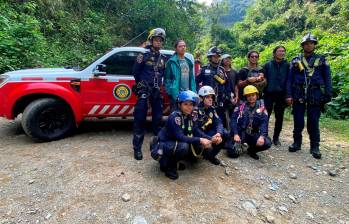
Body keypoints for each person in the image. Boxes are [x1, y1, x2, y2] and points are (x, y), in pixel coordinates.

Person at [286, 33, 332, 159]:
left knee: (313, 121)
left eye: (311, 43)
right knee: (298, 121)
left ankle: (315, 146)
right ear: (303, 45)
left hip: (315, 93)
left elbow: (328, 78)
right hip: (298, 92)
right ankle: (297, 143)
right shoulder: (296, 60)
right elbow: (289, 79)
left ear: (314, 45)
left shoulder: (322, 60)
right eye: (306, 43)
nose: (309, 45)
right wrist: (289, 94)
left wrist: (328, 94)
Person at [150, 90, 213, 180]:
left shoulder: (190, 115)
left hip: (175, 143)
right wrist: (200, 140)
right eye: (185, 104)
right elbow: (180, 137)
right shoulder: (174, 117)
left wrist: (210, 138)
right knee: (184, 146)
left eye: (191, 104)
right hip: (165, 143)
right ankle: (169, 167)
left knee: (197, 146)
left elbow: (196, 130)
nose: (189, 107)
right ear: (179, 105)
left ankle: (173, 162)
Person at [132, 28, 167, 160]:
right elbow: (135, 72)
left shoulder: (163, 59)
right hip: (144, 90)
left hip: (157, 92)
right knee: (140, 119)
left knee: (157, 121)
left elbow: (162, 75)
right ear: (151, 40)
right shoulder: (143, 56)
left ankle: (158, 147)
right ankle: (137, 149)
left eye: (160, 40)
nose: (158, 42)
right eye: (156, 40)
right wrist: (142, 85)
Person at [230, 85, 271, 160]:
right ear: (245, 97)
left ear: (257, 95)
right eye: (248, 95)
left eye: (253, 95)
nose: (251, 97)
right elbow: (233, 120)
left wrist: (262, 136)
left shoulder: (261, 108)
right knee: (232, 154)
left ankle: (251, 150)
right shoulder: (240, 106)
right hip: (241, 133)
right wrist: (235, 134)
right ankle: (237, 144)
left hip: (253, 133)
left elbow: (264, 123)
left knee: (267, 143)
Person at [195, 86, 233, 165]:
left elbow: (218, 122)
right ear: (201, 98)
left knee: (225, 133)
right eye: (207, 97)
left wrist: (218, 133)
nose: (211, 99)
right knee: (194, 160)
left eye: (211, 97)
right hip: (198, 137)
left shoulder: (212, 109)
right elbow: (195, 130)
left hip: (208, 134)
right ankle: (195, 156)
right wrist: (210, 138)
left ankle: (211, 156)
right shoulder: (195, 111)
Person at [196, 47, 232, 127]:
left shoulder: (222, 70)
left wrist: (228, 96)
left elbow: (227, 84)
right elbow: (196, 82)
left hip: (220, 101)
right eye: (214, 56)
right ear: (210, 57)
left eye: (218, 56)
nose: (217, 58)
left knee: (220, 122)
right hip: (207, 101)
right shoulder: (204, 69)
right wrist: (199, 95)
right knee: (206, 122)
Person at [263, 46, 289, 146]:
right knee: (266, 116)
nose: (281, 53)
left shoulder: (287, 65)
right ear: (274, 53)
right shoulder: (267, 65)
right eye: (279, 51)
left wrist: (288, 95)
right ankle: (264, 135)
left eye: (283, 51)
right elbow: (263, 80)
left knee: (279, 117)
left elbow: (288, 81)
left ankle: (276, 137)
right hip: (269, 94)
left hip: (281, 95)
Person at [164, 39, 196, 111]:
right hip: (176, 95)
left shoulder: (189, 62)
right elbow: (167, 79)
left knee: (188, 117)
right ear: (176, 48)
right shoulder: (171, 62)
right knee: (176, 117)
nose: (183, 48)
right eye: (180, 46)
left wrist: (194, 92)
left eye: (184, 46)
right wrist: (171, 93)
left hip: (188, 95)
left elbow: (192, 79)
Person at [221, 54, 239, 119]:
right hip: (222, 97)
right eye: (226, 58)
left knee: (233, 116)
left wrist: (237, 96)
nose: (228, 60)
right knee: (223, 117)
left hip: (232, 97)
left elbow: (236, 85)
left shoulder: (234, 72)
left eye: (229, 58)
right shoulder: (219, 72)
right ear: (222, 60)